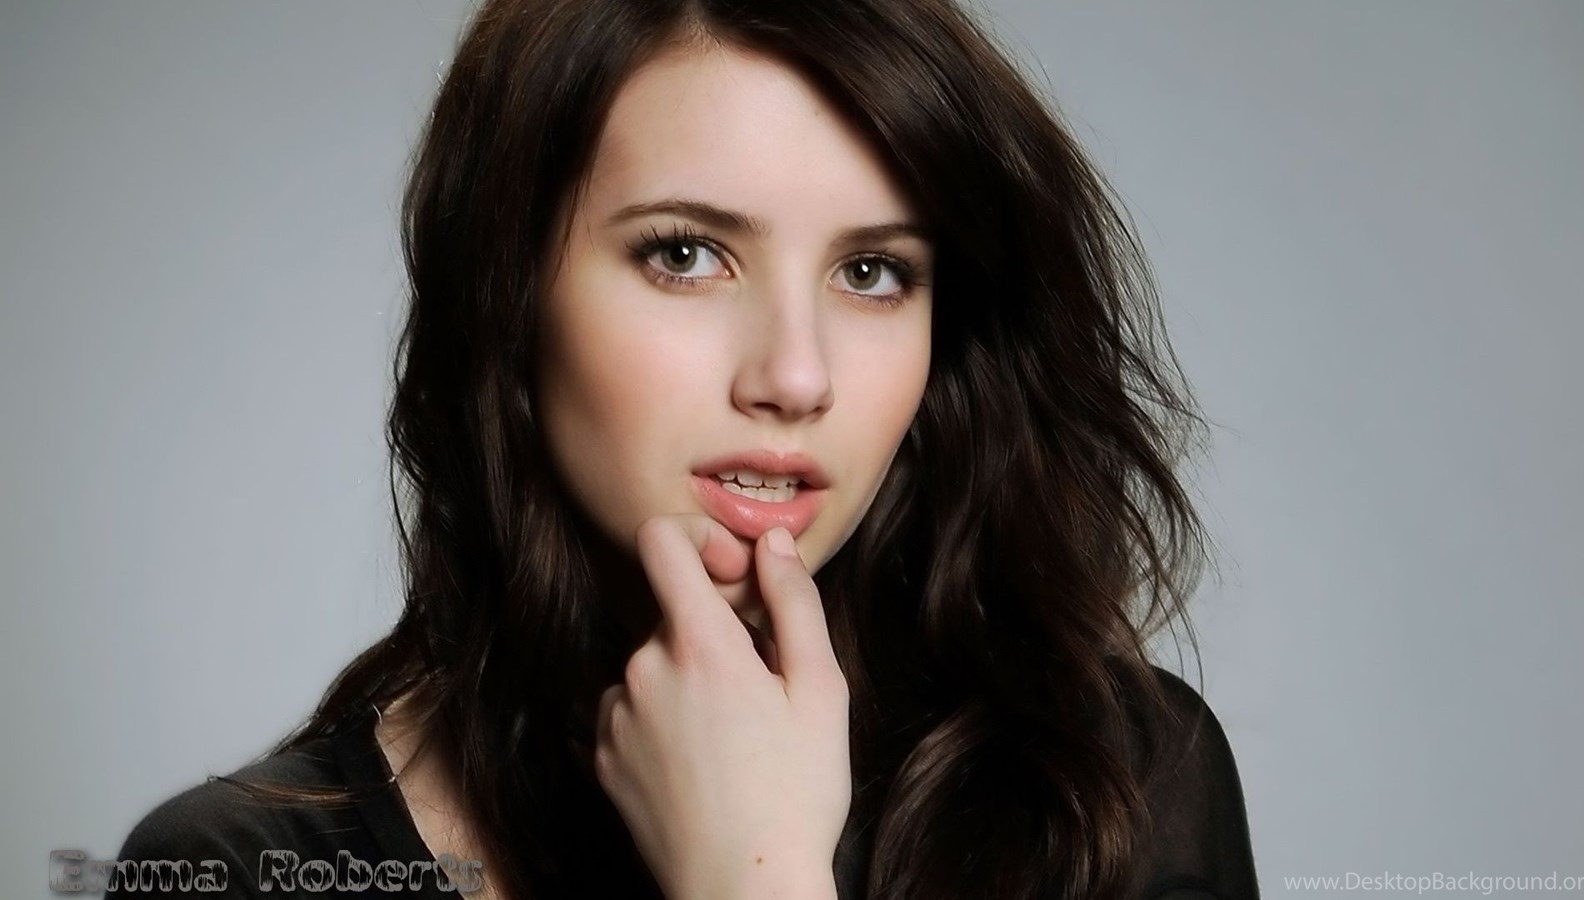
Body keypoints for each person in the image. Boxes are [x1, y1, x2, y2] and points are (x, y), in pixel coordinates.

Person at [104, 0, 1259, 898]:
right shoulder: (243, 871)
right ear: (507, 293)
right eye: (685, 255)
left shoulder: (1106, 789)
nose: (795, 376)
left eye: (872, 272)